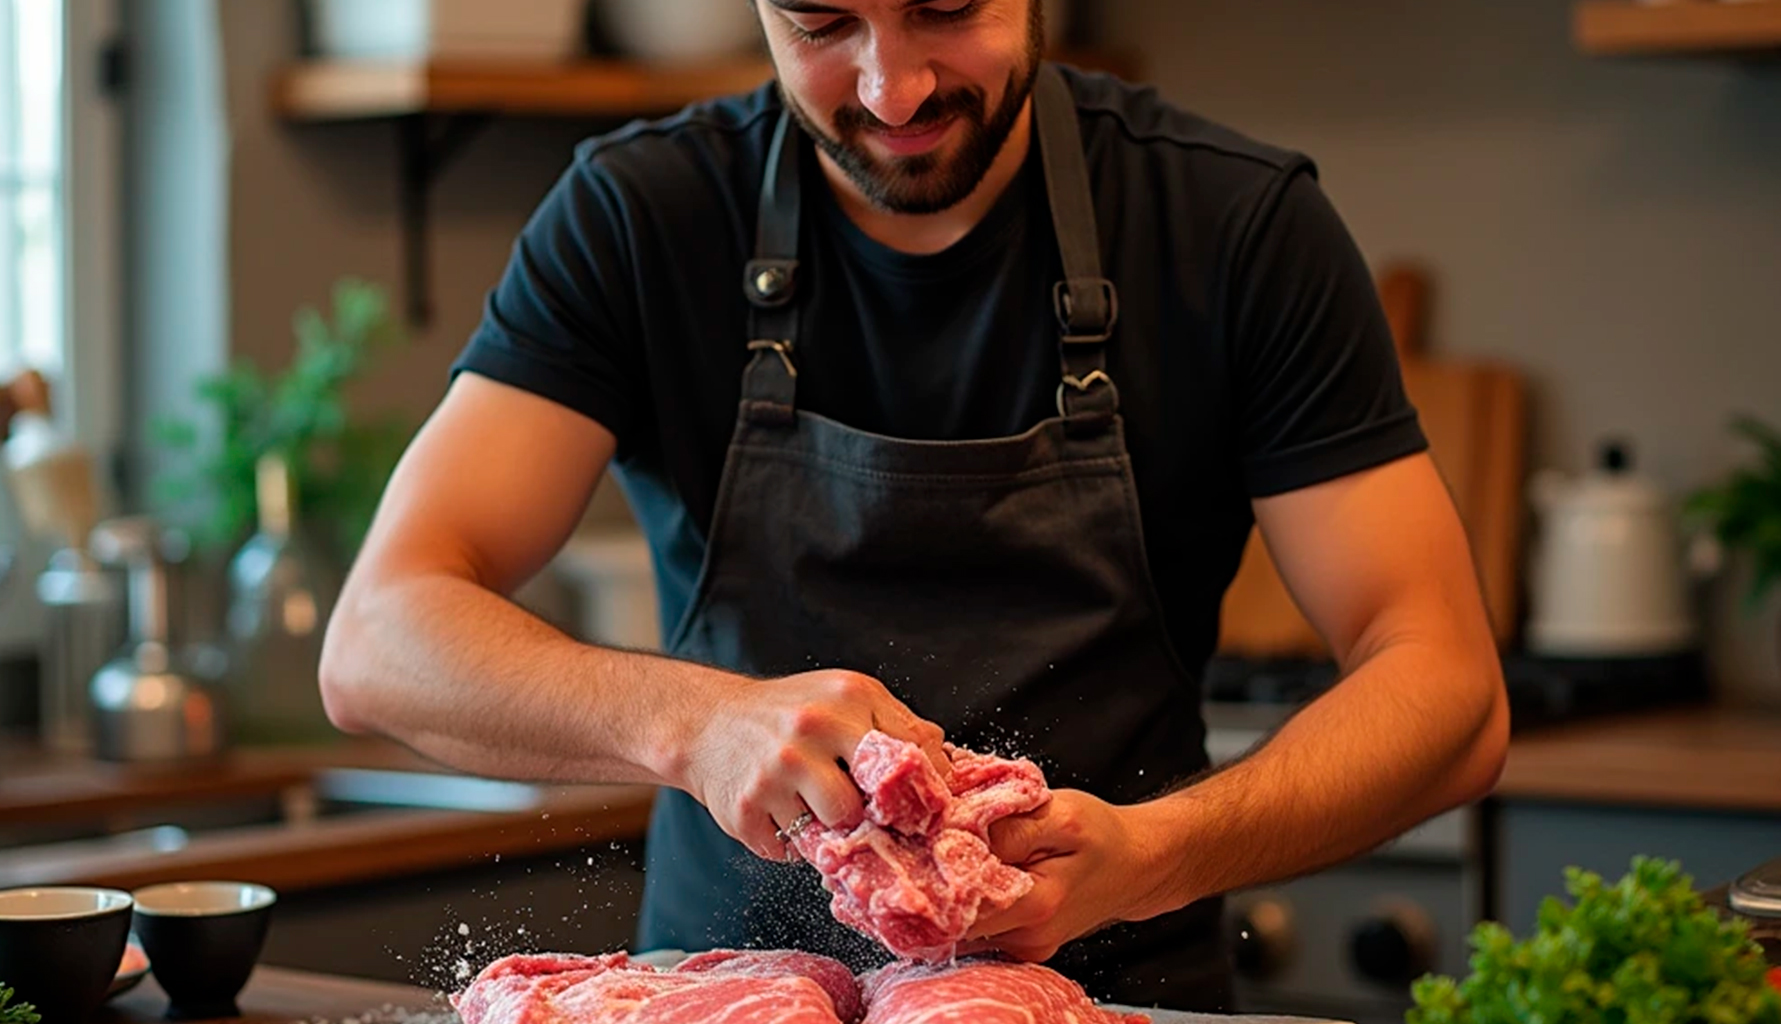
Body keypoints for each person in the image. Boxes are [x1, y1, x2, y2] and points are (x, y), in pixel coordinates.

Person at [318, 0, 1508, 1010]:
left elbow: (1446, 684)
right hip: (724, 992)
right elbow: (380, 640)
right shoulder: (640, 215)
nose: (892, 88)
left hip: (1104, 994)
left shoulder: (1231, 226)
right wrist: (695, 723)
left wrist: (1153, 854)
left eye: (945, 6)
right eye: (822, 21)